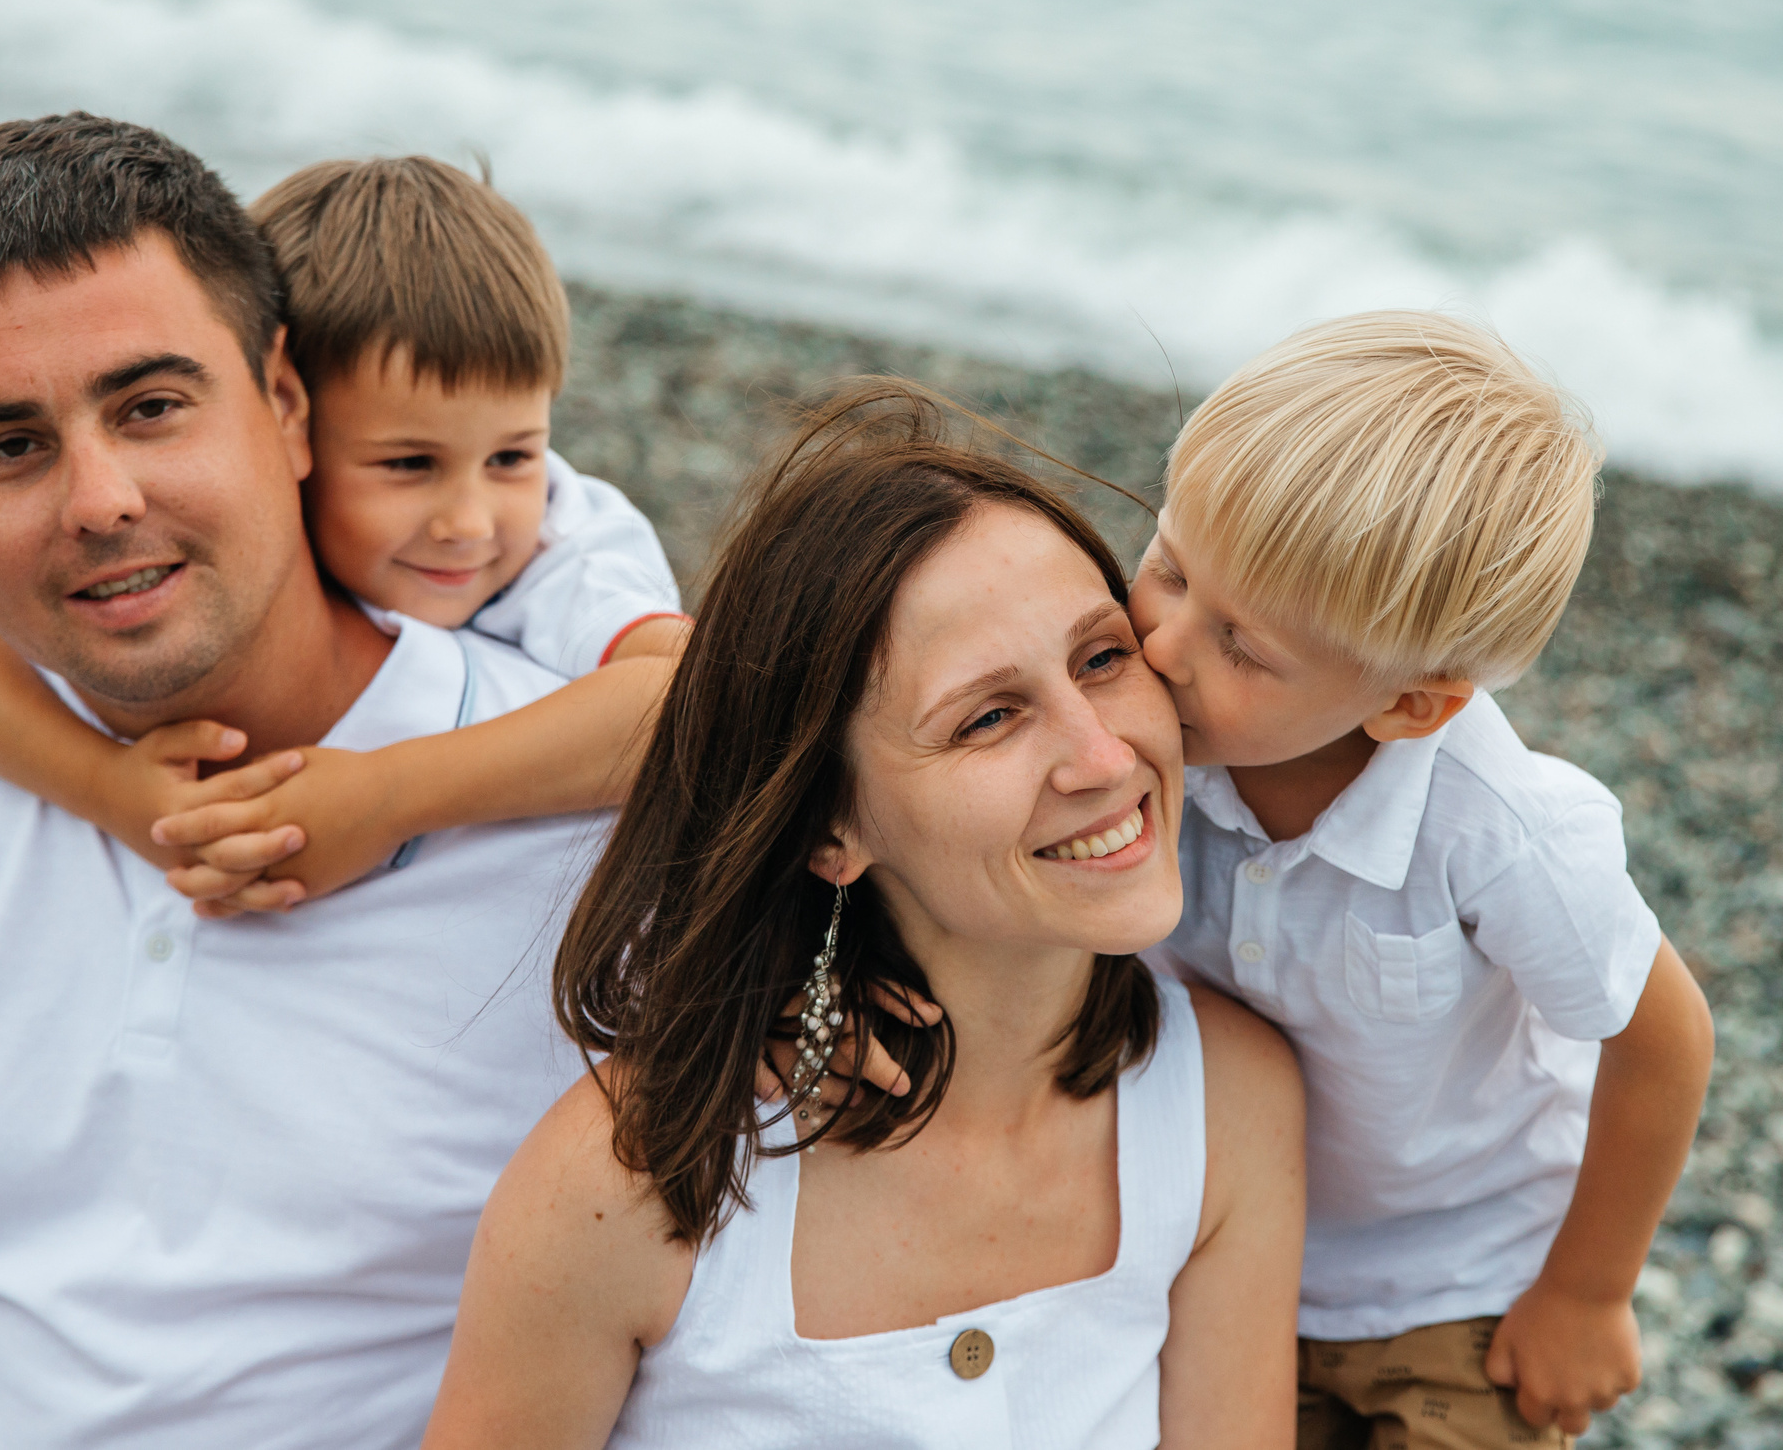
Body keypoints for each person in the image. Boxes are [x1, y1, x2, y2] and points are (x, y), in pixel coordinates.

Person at [0, 115, 628, 1447]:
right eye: (9, 447)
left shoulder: (580, 806)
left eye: (151, 407)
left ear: (284, 403)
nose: (98, 498)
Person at [423, 384, 1309, 1449]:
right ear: (830, 830)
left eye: (1102, 659)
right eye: (989, 717)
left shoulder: (1229, 1105)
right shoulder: (630, 1178)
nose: (1106, 757)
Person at [1132, 313, 1718, 1448]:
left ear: (1410, 705)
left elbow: (1662, 1041)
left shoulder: (1497, 830)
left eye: (1241, 646)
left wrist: (1587, 1292)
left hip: (1462, 1278)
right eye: (1164, 567)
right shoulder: (1155, 748)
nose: (1161, 645)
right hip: (1222, 1254)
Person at [0, 153, 687, 916]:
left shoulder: (562, 537)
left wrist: (389, 794)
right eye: (406, 465)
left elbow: (691, 700)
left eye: (514, 455)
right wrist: (108, 788)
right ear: (286, 423)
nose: (468, 521)